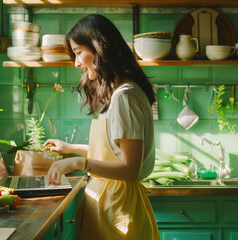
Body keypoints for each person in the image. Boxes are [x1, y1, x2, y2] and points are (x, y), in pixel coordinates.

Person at [43, 14, 160, 239]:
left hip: (119, 211)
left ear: (99, 49)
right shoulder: (117, 94)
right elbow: (113, 155)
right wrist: (69, 148)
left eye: (78, 53)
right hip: (109, 206)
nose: (76, 63)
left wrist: (79, 162)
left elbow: (129, 169)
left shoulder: (125, 96)